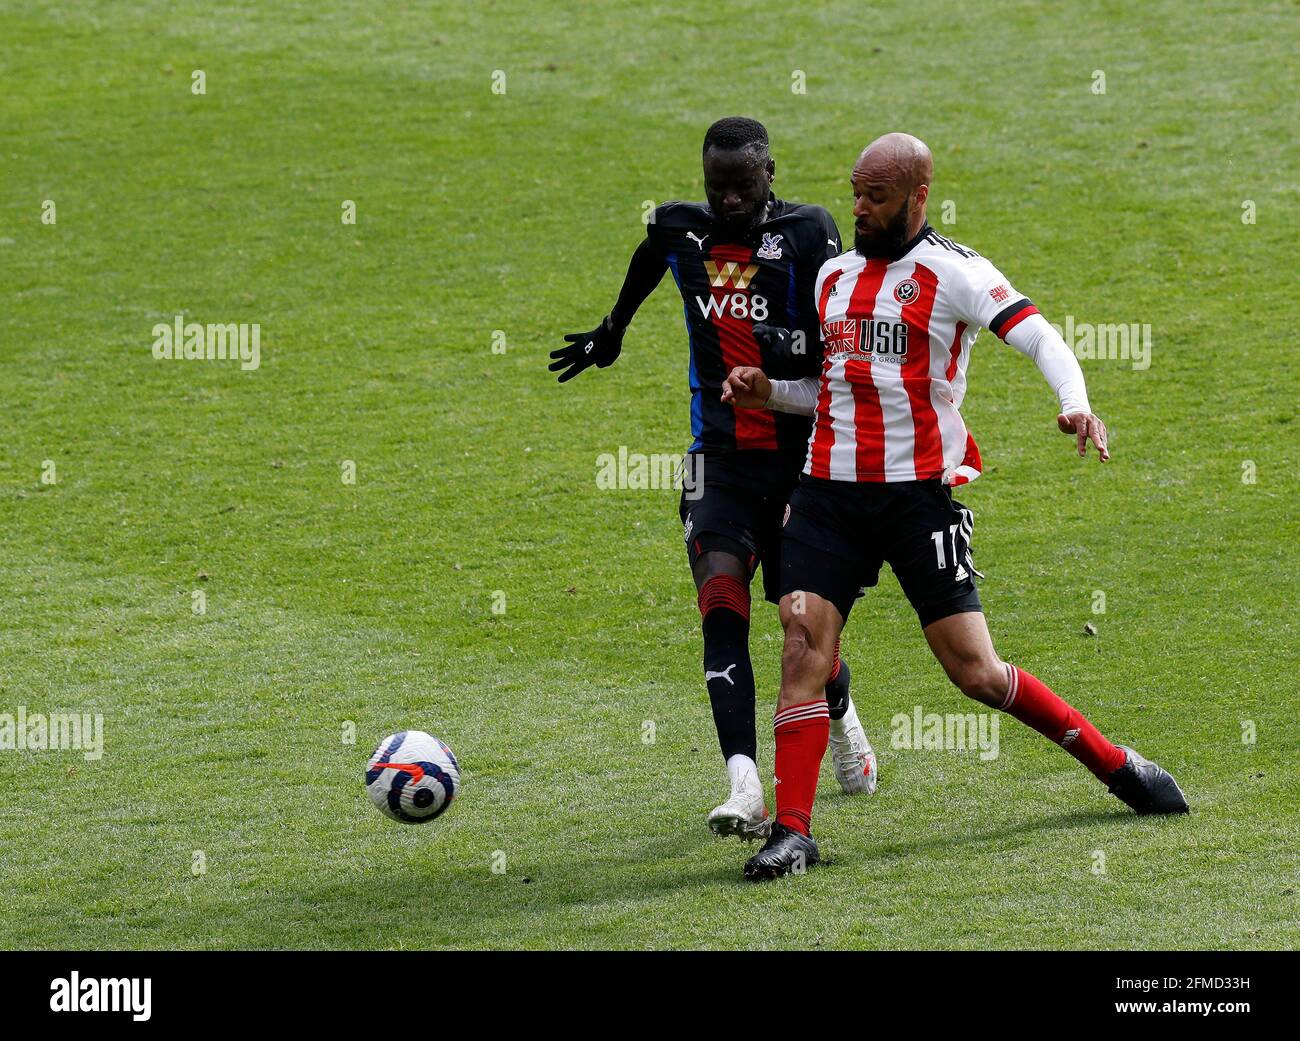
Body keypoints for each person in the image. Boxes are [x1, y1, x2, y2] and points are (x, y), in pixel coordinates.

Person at [722, 132, 1188, 881]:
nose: (860, 210)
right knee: (803, 645)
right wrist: (768, 390)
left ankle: (1114, 764)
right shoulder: (833, 276)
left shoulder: (955, 272)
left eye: (875, 197)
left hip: (916, 501)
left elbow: (1040, 338)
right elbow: (829, 387)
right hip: (825, 497)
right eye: (855, 193)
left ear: (917, 196)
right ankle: (795, 831)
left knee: (976, 673)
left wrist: (1076, 405)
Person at [550, 117, 878, 841]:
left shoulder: (808, 232)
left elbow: (835, 343)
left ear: (770, 173)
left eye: (743, 185)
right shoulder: (679, 230)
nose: (729, 199)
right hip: (717, 462)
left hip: (800, 465)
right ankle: (744, 780)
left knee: (801, 626)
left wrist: (782, 345)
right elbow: (648, 256)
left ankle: (841, 710)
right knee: (722, 604)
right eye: (716, 186)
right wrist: (615, 329)